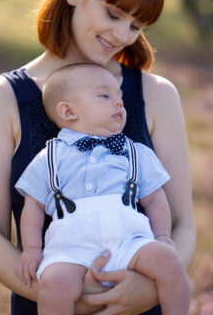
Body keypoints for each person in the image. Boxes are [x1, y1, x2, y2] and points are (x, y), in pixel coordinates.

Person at [0, 0, 196, 315]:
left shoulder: (157, 95)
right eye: (113, 14)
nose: (122, 36)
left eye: (137, 26)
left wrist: (149, 292)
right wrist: (70, 296)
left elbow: (183, 223)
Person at [15, 63, 190, 315]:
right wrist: (32, 250)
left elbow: (154, 199)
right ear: (68, 111)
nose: (119, 103)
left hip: (128, 242)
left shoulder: (134, 151)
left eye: (119, 97)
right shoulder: (50, 156)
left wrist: (162, 236)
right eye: (105, 96)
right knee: (54, 285)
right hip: (70, 247)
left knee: (169, 261)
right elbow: (33, 205)